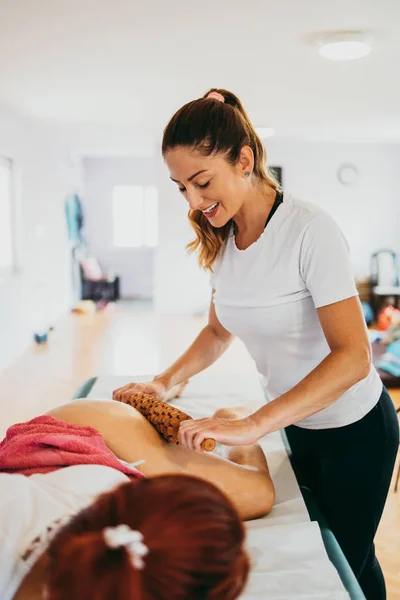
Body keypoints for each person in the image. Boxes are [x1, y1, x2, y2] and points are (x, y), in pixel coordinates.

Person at [112, 88, 400, 600]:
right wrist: (164, 381)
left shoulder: (309, 230)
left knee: (345, 565)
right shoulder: (221, 239)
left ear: (243, 160)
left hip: (356, 433)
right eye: (181, 188)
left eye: (202, 183)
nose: (195, 202)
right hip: (297, 424)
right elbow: (218, 331)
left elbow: (354, 357)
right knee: (345, 554)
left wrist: (251, 425)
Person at [1, 399, 274, 600]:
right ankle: (232, 415)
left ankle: (233, 418)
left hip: (83, 436)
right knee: (256, 494)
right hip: (93, 435)